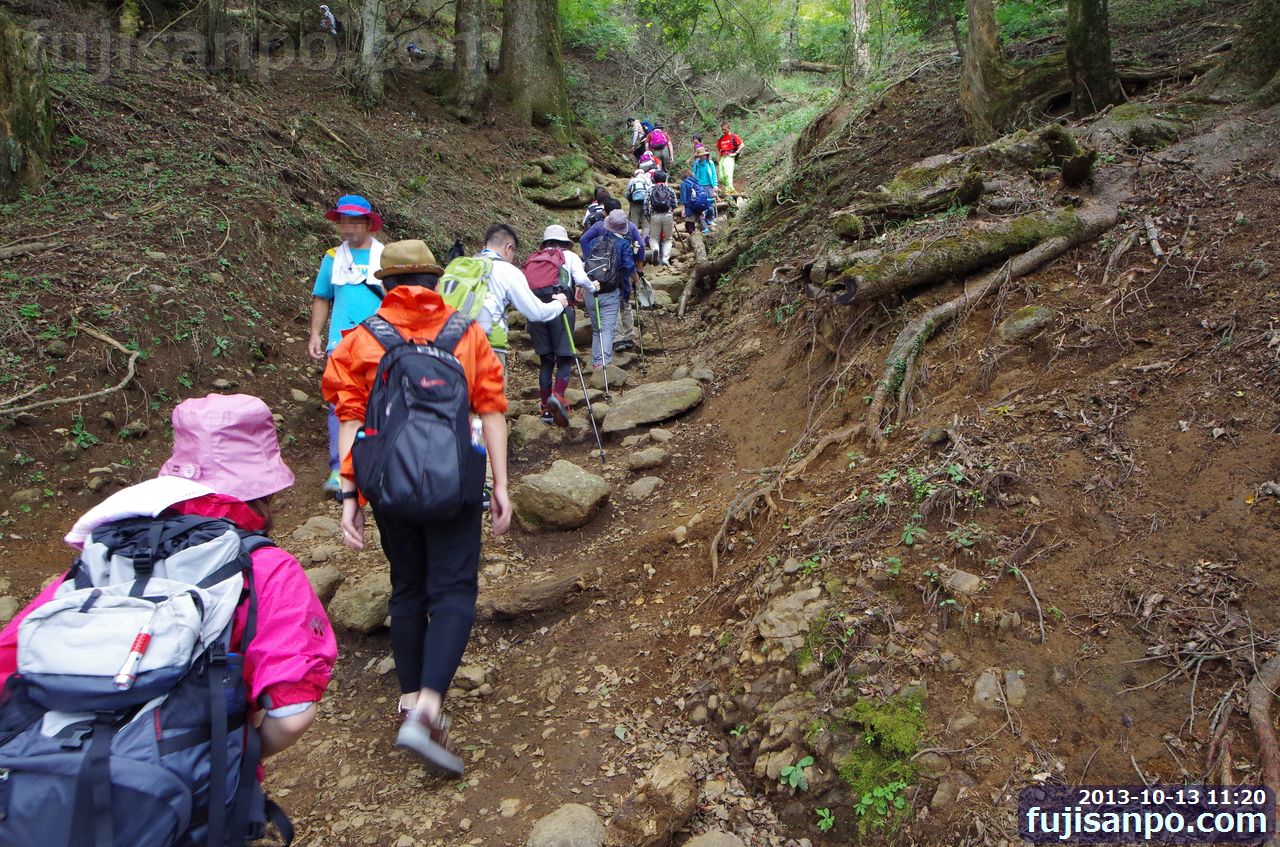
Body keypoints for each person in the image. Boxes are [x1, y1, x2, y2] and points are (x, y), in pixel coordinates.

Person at [0, 393, 337, 836]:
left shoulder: (102, 552)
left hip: (41, 797)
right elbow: (292, 714)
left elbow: (13, 658)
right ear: (264, 484)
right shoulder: (264, 566)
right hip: (183, 804)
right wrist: (230, 751)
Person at [323, 239, 510, 776]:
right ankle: (428, 708)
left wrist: (349, 493)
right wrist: (500, 485)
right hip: (455, 481)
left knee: (407, 586)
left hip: (389, 486)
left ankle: (408, 700)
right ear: (435, 281)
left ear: (381, 285)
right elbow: (491, 410)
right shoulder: (466, 333)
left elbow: (351, 420)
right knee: (453, 587)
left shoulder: (361, 340)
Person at [309, 194, 384, 494]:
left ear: (368, 224)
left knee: (379, 404)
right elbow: (321, 297)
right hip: (339, 346)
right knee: (339, 407)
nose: (349, 228)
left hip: (378, 343)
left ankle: (376, 466)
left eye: (355, 222)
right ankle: (340, 470)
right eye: (345, 222)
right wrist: (315, 333)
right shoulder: (331, 258)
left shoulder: (385, 257)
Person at [466, 223, 568, 370]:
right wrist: (559, 304)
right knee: (491, 393)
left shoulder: (462, 267)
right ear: (508, 248)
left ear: (484, 246)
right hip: (489, 347)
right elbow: (536, 313)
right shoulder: (507, 271)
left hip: (455, 346)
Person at [524, 225, 596, 426]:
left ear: (545, 242)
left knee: (546, 361)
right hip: (561, 310)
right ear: (564, 242)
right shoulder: (570, 256)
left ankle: (545, 409)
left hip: (536, 311)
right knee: (564, 358)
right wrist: (593, 287)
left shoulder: (534, 258)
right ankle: (558, 397)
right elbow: (581, 279)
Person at [581, 199, 645, 353]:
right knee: (625, 301)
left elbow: (583, 239)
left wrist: (590, 258)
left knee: (613, 304)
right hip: (623, 274)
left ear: (606, 214)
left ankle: (617, 338)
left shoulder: (598, 227)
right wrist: (638, 276)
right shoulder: (629, 228)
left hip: (604, 273)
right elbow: (640, 246)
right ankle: (628, 334)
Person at [645, 170, 678, 266]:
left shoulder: (650, 189)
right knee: (668, 239)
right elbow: (675, 203)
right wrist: (671, 211)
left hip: (655, 215)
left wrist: (648, 217)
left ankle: (656, 251)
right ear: (665, 179)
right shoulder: (670, 189)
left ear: (654, 179)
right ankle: (665, 259)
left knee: (654, 238)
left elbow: (646, 204)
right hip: (668, 215)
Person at [692, 146, 720, 228]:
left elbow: (714, 174)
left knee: (711, 204)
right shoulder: (696, 164)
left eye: (703, 155)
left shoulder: (710, 163)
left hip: (709, 185)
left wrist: (715, 185)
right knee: (702, 203)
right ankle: (703, 221)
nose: (702, 157)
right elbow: (694, 175)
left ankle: (710, 219)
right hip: (699, 186)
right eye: (700, 155)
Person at [680, 169, 713, 234]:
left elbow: (683, 197)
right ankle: (703, 232)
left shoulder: (684, 183)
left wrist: (683, 209)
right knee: (690, 225)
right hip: (699, 205)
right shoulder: (697, 182)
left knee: (690, 226)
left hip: (690, 207)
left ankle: (694, 237)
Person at [717, 121, 744, 194]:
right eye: (722, 130)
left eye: (725, 129)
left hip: (730, 156)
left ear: (729, 128)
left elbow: (742, 145)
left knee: (727, 173)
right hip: (723, 157)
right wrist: (719, 159)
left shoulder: (733, 136)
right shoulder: (721, 138)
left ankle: (729, 190)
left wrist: (736, 152)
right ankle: (730, 188)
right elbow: (718, 149)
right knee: (721, 176)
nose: (723, 131)